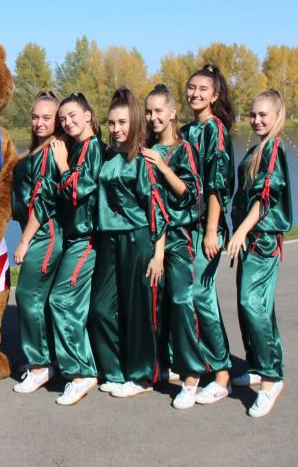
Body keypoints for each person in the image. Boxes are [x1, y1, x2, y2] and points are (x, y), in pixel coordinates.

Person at [91, 87, 168, 399]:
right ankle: (115, 370)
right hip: (108, 240)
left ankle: (142, 376)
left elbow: (157, 208)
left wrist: (158, 254)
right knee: (100, 308)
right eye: (111, 123)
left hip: (138, 239)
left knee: (138, 310)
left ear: (135, 122)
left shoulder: (142, 159)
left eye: (122, 122)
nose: (116, 129)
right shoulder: (107, 155)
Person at [141, 84, 207, 409]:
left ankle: (191, 376)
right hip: (152, 239)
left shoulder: (183, 150)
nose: (153, 117)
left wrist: (162, 166)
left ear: (172, 112)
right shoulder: (146, 149)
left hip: (179, 240)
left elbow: (191, 194)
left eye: (158, 111)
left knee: (181, 301)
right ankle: (160, 366)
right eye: (148, 112)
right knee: (156, 306)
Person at [226, 90, 291, 418]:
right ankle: (256, 363)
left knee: (253, 304)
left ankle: (271, 378)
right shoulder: (257, 149)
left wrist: (240, 232)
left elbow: (265, 198)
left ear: (277, 116)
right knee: (251, 304)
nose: (256, 120)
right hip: (251, 240)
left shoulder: (274, 149)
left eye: (263, 115)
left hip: (262, 239)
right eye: (253, 114)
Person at [181, 64, 235, 404]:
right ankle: (195, 363)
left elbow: (216, 185)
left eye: (203, 89)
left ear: (215, 96)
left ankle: (222, 372)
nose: (195, 94)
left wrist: (212, 230)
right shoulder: (188, 130)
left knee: (202, 294)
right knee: (187, 297)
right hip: (185, 227)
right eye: (191, 87)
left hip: (206, 228)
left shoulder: (215, 131)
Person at [47, 92, 103, 405]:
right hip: (75, 238)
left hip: (86, 239)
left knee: (62, 300)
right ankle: (82, 366)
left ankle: (82, 372)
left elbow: (79, 190)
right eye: (63, 119)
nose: (67, 122)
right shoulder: (79, 146)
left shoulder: (91, 148)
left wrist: (61, 164)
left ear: (87, 115)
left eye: (72, 116)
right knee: (75, 305)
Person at [10, 90, 63, 394]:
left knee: (28, 295)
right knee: (38, 298)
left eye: (46, 117)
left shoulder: (50, 152)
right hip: (35, 232)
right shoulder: (36, 150)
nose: (39, 122)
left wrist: (24, 241)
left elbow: (43, 202)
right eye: (35, 117)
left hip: (44, 234)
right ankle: (43, 357)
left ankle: (41, 366)